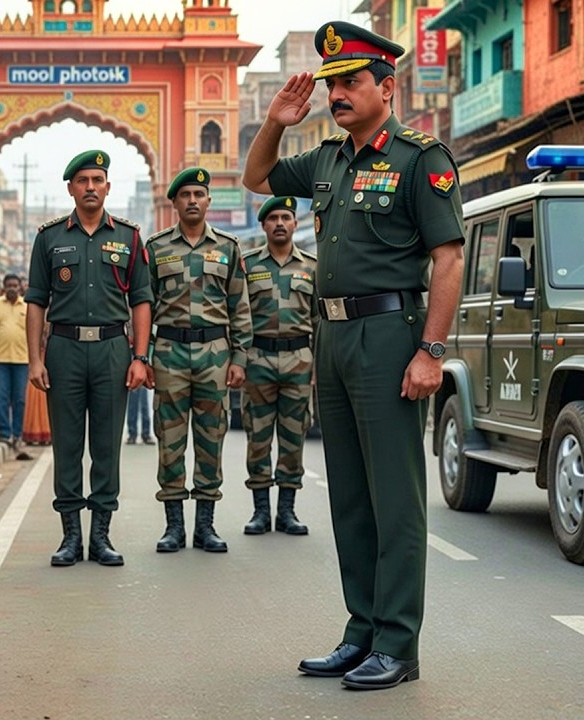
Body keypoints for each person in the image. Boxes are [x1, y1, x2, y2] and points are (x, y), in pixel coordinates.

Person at [242, 21, 465, 690]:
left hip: (390, 334)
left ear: (387, 87)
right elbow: (256, 177)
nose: (338, 93)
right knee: (350, 498)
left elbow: (448, 259)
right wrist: (279, 121)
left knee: (394, 497)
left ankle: (399, 644)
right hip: (333, 338)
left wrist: (430, 350)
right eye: (332, 84)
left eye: (351, 82)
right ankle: (361, 631)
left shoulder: (419, 158)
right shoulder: (329, 159)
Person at [26, 149, 152, 568]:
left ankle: (100, 536)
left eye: (98, 180)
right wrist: (35, 360)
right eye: (83, 181)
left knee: (106, 444)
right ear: (71, 188)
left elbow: (141, 300)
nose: (91, 187)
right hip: (63, 349)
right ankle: (70, 538)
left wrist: (140, 356)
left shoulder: (130, 237)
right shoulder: (49, 237)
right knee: (66, 444)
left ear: (108, 187)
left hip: (113, 350)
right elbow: (35, 302)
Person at [146, 167, 252, 555]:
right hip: (170, 354)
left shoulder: (227, 247)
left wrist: (239, 357)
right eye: (185, 194)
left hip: (215, 356)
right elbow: (142, 306)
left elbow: (240, 306)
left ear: (209, 201)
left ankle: (205, 526)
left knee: (211, 438)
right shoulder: (156, 248)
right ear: (173, 202)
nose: (192, 200)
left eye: (199, 194)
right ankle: (173, 527)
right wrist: (143, 357)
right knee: (170, 440)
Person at [240, 197, 317, 537]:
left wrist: (318, 365)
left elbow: (320, 318)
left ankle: (287, 511)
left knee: (293, 436)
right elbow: (238, 317)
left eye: (286, 217)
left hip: (299, 360)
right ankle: (260, 511)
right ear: (264, 225)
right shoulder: (248, 266)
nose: (280, 223)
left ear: (295, 223)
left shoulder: (312, 267)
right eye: (273, 218)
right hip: (258, 359)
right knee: (258, 437)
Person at [0, 274, 31, 456]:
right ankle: (4, 432)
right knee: (1, 398)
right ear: (3, 287)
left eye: (15, 285)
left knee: (19, 399)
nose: (12, 288)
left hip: (22, 359)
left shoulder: (27, 306)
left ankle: (17, 433)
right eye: (9, 285)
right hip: (0, 359)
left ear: (20, 287)